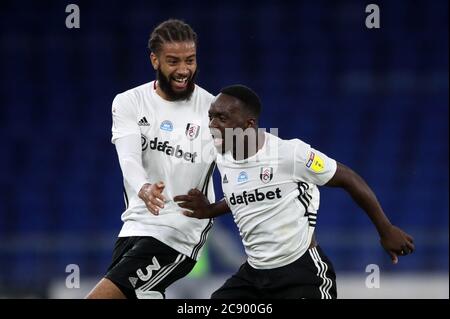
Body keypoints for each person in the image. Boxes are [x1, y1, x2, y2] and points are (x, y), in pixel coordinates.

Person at [174, 84, 415, 299]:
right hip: (254, 274)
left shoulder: (291, 154)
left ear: (249, 124)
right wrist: (211, 209)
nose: (212, 125)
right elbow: (250, 194)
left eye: (222, 118)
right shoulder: (222, 156)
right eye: (211, 117)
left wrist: (385, 229)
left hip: (301, 272)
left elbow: (348, 178)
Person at [86, 19, 216, 299]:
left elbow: (249, 162)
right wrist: (144, 188)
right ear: (154, 60)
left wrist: (217, 207)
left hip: (178, 233)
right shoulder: (129, 102)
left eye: (190, 60)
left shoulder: (213, 110)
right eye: (173, 61)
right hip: (134, 224)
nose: (183, 70)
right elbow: (129, 158)